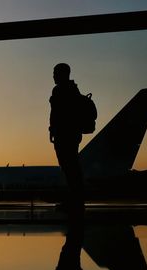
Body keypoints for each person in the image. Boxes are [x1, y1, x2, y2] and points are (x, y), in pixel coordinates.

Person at [49, 63, 84, 209]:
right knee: (71, 166)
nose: (53, 76)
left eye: (55, 72)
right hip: (71, 134)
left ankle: (75, 199)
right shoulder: (73, 90)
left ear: (62, 74)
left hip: (64, 134)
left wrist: (53, 130)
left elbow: (57, 114)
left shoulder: (60, 90)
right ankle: (76, 198)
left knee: (69, 166)